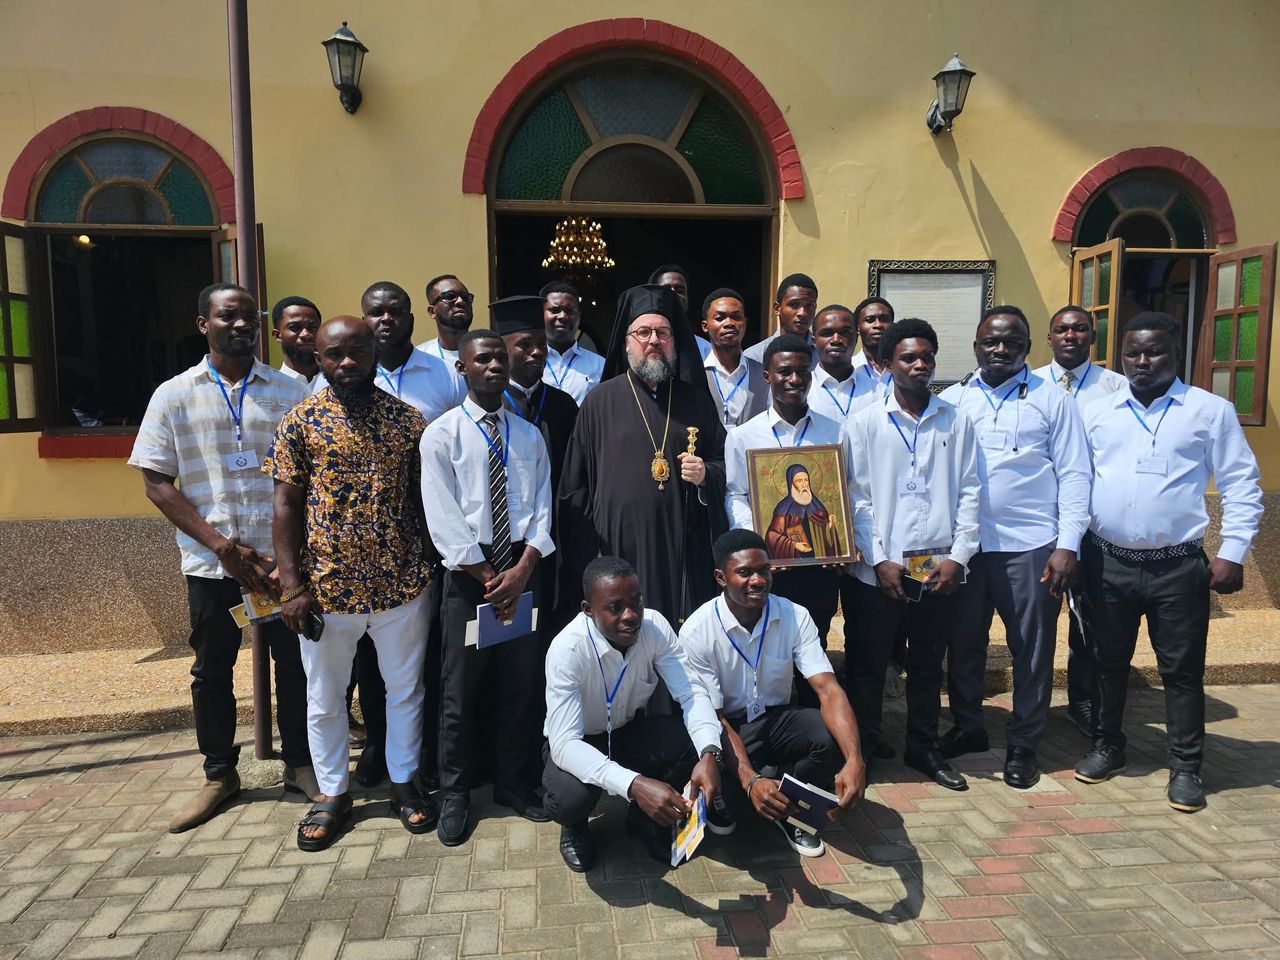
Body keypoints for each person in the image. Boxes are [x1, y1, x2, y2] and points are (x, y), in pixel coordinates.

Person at [129, 283, 316, 833]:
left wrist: (291, 557)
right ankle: (219, 775)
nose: (240, 325)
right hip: (213, 566)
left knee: (296, 666)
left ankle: (300, 764)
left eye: (249, 317)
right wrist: (222, 547)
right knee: (211, 669)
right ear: (202, 324)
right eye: (227, 316)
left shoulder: (290, 391)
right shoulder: (173, 395)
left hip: (280, 566)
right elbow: (156, 482)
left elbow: (311, 476)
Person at [1074, 313, 1262, 813]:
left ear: (1175, 353)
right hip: (1107, 562)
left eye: (1153, 351)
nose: (1141, 361)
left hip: (1177, 567)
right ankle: (1107, 746)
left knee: (1181, 671)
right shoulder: (1097, 412)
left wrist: (1233, 552)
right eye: (1132, 352)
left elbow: (1242, 484)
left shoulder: (1209, 411)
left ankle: (1185, 766)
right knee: (1107, 662)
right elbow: (1077, 482)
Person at [266, 316, 434, 850]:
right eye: (334, 353)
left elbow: (423, 501)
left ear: (374, 353)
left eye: (357, 351)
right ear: (318, 359)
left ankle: (403, 782)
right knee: (325, 697)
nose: (347, 362)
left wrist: (430, 567)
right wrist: (291, 586)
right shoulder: (300, 422)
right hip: (327, 589)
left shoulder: (409, 421)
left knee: (404, 690)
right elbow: (285, 505)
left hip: (401, 585)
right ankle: (333, 793)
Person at [939, 306, 1091, 789]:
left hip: (1031, 545)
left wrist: (1067, 545)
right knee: (963, 643)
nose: (1001, 349)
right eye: (991, 342)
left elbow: (1075, 475)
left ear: (1028, 346)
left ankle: (1024, 742)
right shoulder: (953, 399)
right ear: (976, 346)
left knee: (1032, 647)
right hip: (966, 548)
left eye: (1012, 342)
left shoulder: (1054, 400)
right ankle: (968, 726)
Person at [421, 325, 556, 844]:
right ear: (462, 368)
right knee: (460, 691)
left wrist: (522, 570)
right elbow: (442, 513)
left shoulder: (528, 435)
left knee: (520, 685)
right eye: (483, 359)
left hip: (521, 575)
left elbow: (541, 505)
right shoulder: (443, 435)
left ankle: (512, 782)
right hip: (469, 581)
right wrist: (486, 576)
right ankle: (456, 792)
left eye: (500, 357)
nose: (495, 365)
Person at [847, 318, 980, 789]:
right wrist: (878, 559)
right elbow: (857, 498)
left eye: (927, 357)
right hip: (878, 572)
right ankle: (864, 747)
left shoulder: (956, 420)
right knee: (868, 666)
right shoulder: (864, 422)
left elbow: (970, 490)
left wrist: (959, 557)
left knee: (927, 665)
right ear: (887, 364)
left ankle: (923, 747)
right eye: (908, 358)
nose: (920, 365)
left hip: (937, 570)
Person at [680, 530, 866, 857]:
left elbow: (828, 690)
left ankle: (787, 810)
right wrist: (751, 781)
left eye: (764, 570)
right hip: (727, 728)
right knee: (734, 804)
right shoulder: (697, 631)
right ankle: (739, 797)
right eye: (745, 572)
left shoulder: (794, 615)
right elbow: (714, 718)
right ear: (721, 577)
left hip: (775, 720)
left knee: (830, 736)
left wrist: (855, 759)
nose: (758, 580)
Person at [560, 284, 727, 625]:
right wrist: (591, 554)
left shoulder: (695, 401)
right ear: (626, 343)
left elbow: (727, 464)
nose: (653, 341)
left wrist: (706, 474)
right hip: (617, 550)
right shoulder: (598, 403)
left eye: (662, 333)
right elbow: (575, 488)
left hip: (682, 551)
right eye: (643, 332)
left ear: (674, 342)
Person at [542, 557, 722, 872]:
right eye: (615, 607)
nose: (631, 615)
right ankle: (575, 827)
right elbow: (564, 744)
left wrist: (709, 753)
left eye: (636, 602)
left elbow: (691, 692)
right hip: (581, 741)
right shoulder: (566, 650)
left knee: (695, 742)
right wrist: (636, 785)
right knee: (568, 799)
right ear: (588, 609)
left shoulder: (655, 627)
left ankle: (645, 819)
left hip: (627, 732)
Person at [1032, 305, 1128, 737]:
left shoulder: (1118, 388)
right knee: (1036, 617)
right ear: (1049, 338)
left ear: (1093, 336)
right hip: (1038, 523)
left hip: (1092, 523)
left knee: (1088, 617)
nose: (1070, 336)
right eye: (1062, 329)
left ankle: (1082, 699)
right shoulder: (1030, 384)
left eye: (1080, 329)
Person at [725, 335, 849, 655]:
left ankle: (810, 690)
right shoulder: (743, 436)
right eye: (784, 371)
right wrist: (758, 542)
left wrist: (841, 539)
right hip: (768, 565)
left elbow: (846, 492)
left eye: (802, 371)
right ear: (768, 376)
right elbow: (736, 495)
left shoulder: (835, 432)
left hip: (821, 568)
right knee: (766, 643)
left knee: (814, 642)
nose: (794, 379)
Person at [498, 295, 579, 639]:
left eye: (541, 345)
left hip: (556, 535)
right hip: (505, 538)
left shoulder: (564, 405)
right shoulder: (491, 406)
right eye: (524, 345)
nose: (537, 352)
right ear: (502, 351)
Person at [701, 287, 768, 428]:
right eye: (720, 318)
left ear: (745, 323)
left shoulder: (765, 376)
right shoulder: (697, 375)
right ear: (705, 326)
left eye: (736, 317)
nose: (729, 323)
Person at [542, 280, 605, 405]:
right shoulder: (529, 363)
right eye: (554, 310)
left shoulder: (600, 365)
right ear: (541, 315)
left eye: (569, 311)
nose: (562, 316)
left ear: (579, 317)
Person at [743, 274, 819, 365]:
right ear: (777, 309)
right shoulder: (754, 357)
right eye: (794, 304)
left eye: (810, 305)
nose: (802, 313)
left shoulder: (824, 354)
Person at [650, 263, 712, 359]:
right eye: (665, 290)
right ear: (651, 298)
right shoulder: (638, 343)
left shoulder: (706, 349)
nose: (673, 294)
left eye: (680, 290)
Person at [419, 274, 474, 368]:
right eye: (449, 296)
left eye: (465, 296)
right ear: (432, 311)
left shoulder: (490, 351)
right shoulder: (420, 358)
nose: (460, 301)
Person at [271, 296, 321, 385]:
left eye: (313, 327)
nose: (305, 334)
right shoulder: (269, 387)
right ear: (277, 335)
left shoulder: (337, 384)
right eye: (294, 327)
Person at [851, 296, 895, 386]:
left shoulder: (904, 368)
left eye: (884, 319)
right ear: (858, 328)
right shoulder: (849, 368)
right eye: (869, 320)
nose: (878, 325)